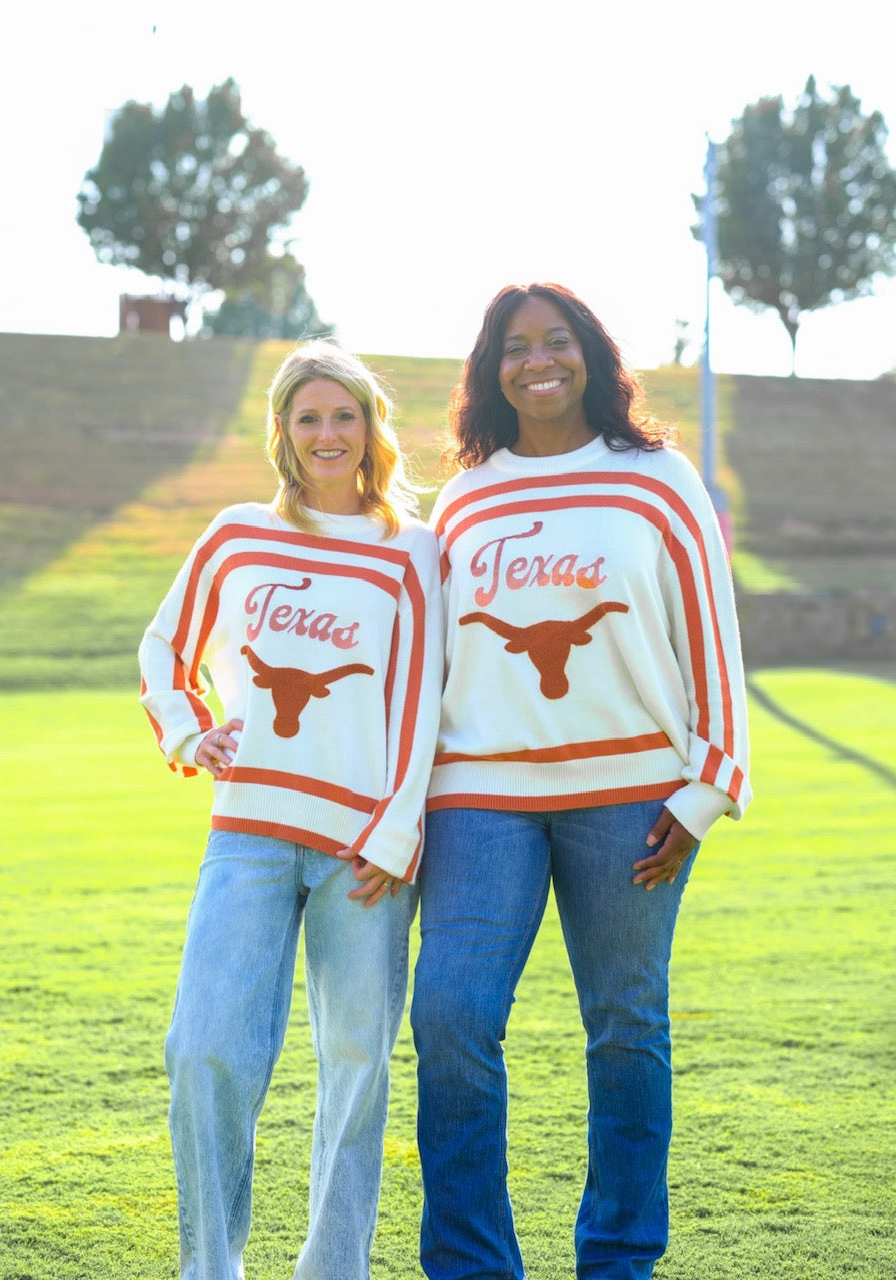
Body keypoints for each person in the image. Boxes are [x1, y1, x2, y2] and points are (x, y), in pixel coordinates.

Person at [410, 283, 752, 1280]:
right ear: (491, 368)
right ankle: (471, 1264)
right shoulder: (468, 493)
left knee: (623, 1025)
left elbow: (712, 637)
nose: (535, 361)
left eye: (554, 341)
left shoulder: (657, 479)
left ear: (590, 357)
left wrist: (706, 785)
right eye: (513, 346)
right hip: (478, 796)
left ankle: (616, 1260)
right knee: (450, 1015)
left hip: (631, 799)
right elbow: (432, 657)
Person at [139, 339, 443, 1280]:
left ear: (369, 429)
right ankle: (210, 1267)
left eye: (343, 415)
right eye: (307, 417)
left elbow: (422, 697)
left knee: (357, 1064)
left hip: (364, 850)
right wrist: (193, 732)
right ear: (282, 431)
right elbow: (164, 647)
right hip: (249, 837)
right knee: (204, 1049)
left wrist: (395, 834)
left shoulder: (412, 553)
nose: (326, 433)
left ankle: (333, 1267)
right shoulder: (237, 533)